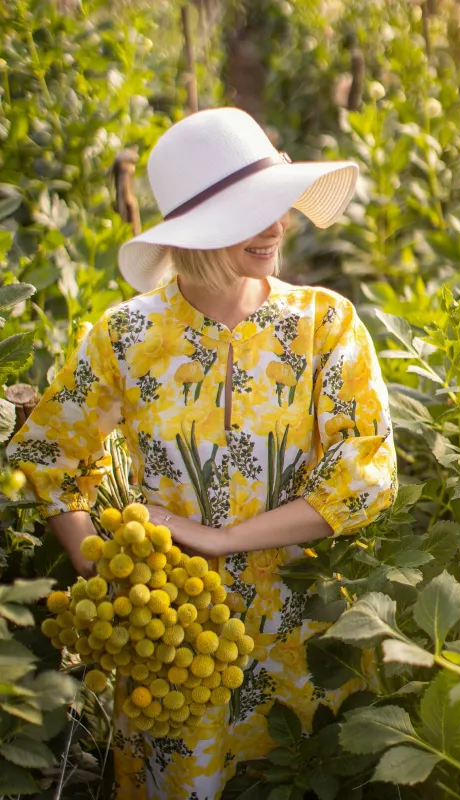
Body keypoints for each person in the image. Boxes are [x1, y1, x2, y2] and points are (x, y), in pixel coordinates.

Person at [7, 107, 397, 800]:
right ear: (198, 231)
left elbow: (365, 476)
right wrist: (112, 578)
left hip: (299, 636)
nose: (276, 226)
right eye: (251, 212)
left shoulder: (324, 325)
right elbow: (46, 459)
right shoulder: (127, 335)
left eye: (277, 205)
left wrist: (224, 539)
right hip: (175, 650)